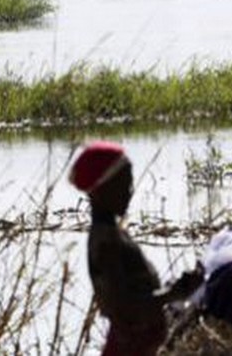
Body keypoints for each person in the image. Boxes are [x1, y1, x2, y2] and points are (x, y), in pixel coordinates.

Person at [69, 141, 204, 356]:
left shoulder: (112, 235)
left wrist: (174, 290)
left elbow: (137, 294)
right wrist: (173, 293)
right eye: (123, 184)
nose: (130, 191)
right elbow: (124, 307)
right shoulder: (106, 243)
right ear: (101, 189)